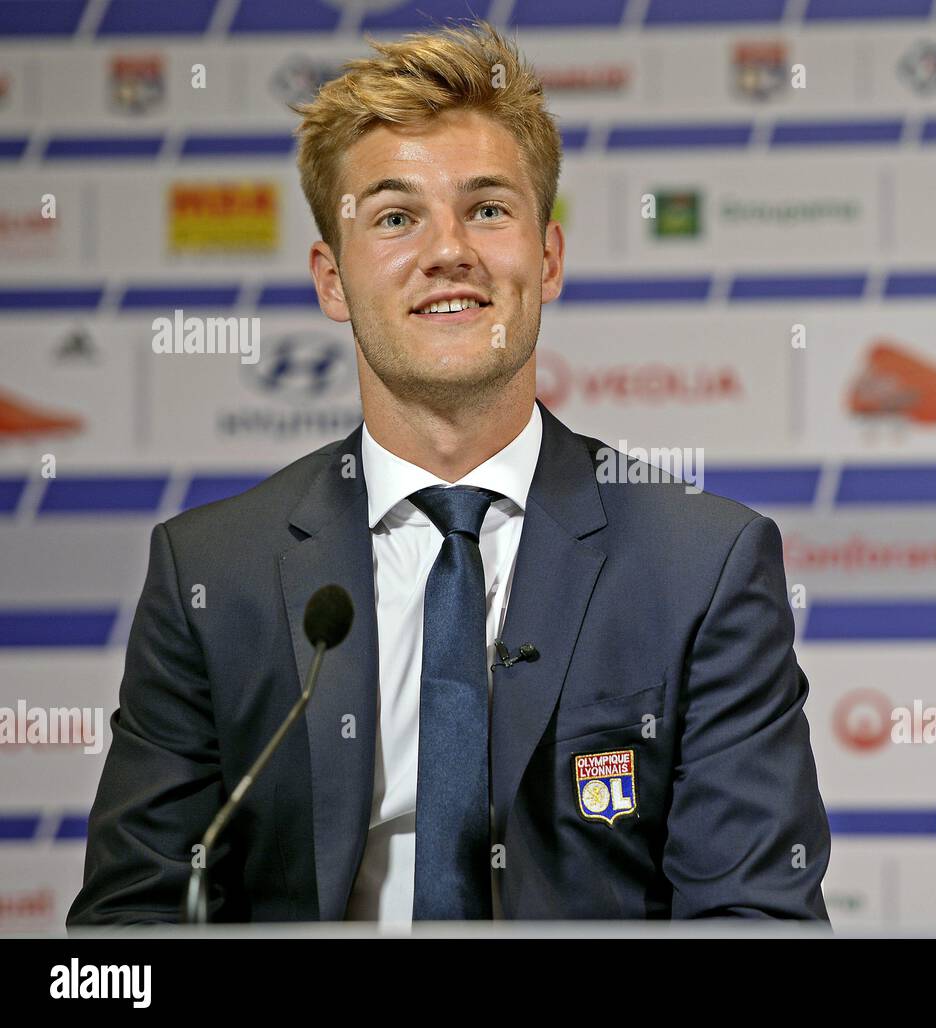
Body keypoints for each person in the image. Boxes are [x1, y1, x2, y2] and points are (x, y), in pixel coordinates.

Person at [67, 18, 831, 925]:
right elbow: (127, 935)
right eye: (395, 217)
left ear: (546, 259)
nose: (448, 251)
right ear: (331, 280)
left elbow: (754, 918)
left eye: (488, 209)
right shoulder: (212, 574)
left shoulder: (703, 566)